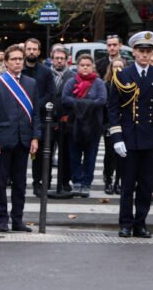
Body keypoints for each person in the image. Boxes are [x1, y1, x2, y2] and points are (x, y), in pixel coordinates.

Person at [108, 31, 153, 238]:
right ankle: (125, 223)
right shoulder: (122, 75)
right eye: (141, 51)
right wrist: (116, 137)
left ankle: (140, 223)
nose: (145, 55)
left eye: (148, 51)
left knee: (146, 185)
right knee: (127, 185)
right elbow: (113, 109)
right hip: (128, 137)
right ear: (134, 53)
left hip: (150, 137)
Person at [0, 44, 41, 232]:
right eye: (14, 59)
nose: (18, 62)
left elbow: (36, 114)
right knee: (0, 183)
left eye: (20, 59)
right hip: (3, 140)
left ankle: (17, 219)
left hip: (23, 140)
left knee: (20, 183)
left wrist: (35, 137)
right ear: (7, 62)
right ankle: (2, 219)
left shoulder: (31, 84)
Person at [62, 54, 106, 198]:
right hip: (74, 125)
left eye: (88, 65)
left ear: (92, 66)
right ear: (78, 66)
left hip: (93, 125)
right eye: (82, 65)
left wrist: (79, 103)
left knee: (90, 156)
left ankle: (86, 183)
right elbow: (65, 98)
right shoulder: (71, 81)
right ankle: (77, 181)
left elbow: (102, 100)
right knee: (74, 155)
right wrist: (87, 104)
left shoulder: (98, 83)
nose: (85, 67)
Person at [22, 38, 56, 196]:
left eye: (34, 49)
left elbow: (51, 94)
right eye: (29, 49)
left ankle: (39, 183)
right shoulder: (19, 70)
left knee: (40, 155)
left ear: (39, 51)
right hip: (21, 119)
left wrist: (34, 105)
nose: (31, 52)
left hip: (41, 119)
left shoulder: (46, 72)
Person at [50, 45, 76, 192]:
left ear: (66, 60)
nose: (59, 61)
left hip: (66, 121)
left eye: (62, 58)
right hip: (49, 119)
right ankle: (45, 180)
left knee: (65, 154)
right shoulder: (47, 75)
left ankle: (65, 181)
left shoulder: (72, 76)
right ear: (52, 60)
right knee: (47, 153)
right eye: (56, 58)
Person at [102, 57, 126, 195]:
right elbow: (107, 105)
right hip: (110, 123)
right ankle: (109, 180)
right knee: (110, 153)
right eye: (115, 67)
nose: (117, 69)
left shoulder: (129, 83)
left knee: (122, 155)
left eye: (120, 66)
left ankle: (119, 181)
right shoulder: (106, 84)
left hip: (125, 124)